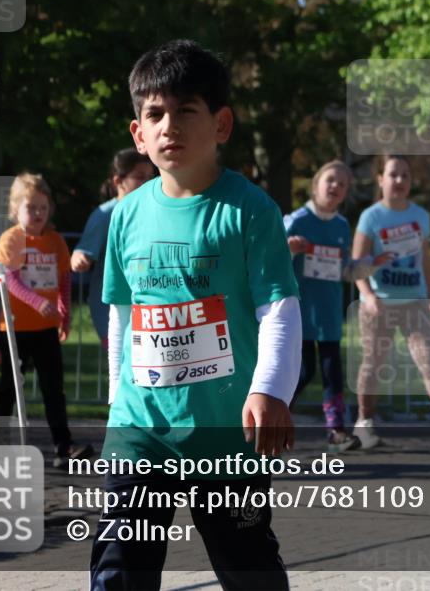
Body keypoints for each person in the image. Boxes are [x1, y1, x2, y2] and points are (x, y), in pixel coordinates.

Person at [90, 39, 300, 591]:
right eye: (154, 114)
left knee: (248, 566)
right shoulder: (126, 215)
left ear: (221, 124)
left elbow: (278, 307)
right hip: (140, 430)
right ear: (138, 133)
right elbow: (122, 313)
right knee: (119, 569)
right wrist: (117, 401)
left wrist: (271, 390)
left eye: (186, 111)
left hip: (228, 433)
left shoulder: (250, 210)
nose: (169, 127)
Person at [352, 154, 430, 450]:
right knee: (374, 364)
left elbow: (425, 260)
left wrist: (429, 295)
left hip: (413, 300)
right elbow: (357, 264)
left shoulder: (420, 216)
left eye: (405, 175)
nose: (400, 181)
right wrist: (368, 295)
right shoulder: (371, 217)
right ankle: (364, 423)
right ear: (380, 179)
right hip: (379, 303)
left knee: (429, 359)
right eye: (393, 174)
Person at [285, 160, 392, 453]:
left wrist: (372, 265)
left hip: (329, 314)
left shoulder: (342, 226)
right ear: (316, 184)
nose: (335, 187)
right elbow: (270, 262)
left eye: (342, 184)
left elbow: (346, 270)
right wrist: (290, 250)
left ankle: (336, 432)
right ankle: (270, 423)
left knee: (333, 374)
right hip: (300, 314)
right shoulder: (296, 221)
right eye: (330, 180)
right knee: (302, 372)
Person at [0, 172, 93, 467]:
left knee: (53, 388)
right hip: (15, 327)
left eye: (42, 208)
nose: (37, 213)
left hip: (47, 327)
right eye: (30, 207)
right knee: (10, 386)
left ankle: (64, 446)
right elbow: (9, 280)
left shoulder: (56, 241)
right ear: (16, 209)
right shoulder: (10, 239)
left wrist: (65, 312)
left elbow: (63, 278)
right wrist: (38, 303)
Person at [70, 148, 155, 346]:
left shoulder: (154, 210)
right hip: (114, 310)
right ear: (118, 181)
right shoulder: (105, 215)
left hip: (148, 306)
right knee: (123, 370)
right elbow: (81, 252)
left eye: (151, 177)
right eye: (140, 177)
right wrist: (78, 258)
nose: (148, 183)